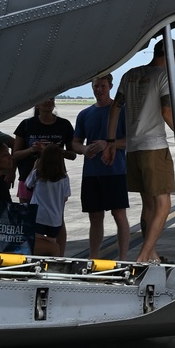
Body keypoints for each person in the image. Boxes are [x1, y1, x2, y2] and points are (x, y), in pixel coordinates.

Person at [107, 37, 175, 264]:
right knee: (164, 205)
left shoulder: (129, 75)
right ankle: (144, 256)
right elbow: (167, 112)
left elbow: (115, 108)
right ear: (170, 56)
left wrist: (110, 141)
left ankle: (152, 256)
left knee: (148, 205)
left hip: (133, 149)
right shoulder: (163, 76)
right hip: (154, 147)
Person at [74, 74, 130, 259]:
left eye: (102, 86)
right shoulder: (84, 114)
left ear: (110, 86)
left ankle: (123, 257)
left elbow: (130, 141)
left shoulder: (121, 111)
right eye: (96, 86)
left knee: (119, 214)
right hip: (91, 173)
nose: (99, 90)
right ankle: (93, 257)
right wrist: (84, 149)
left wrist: (109, 144)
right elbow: (75, 143)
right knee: (95, 217)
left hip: (115, 171)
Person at [13, 99, 75, 203]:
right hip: (28, 177)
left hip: (55, 179)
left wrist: (53, 151)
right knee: (27, 217)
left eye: (51, 98)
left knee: (56, 216)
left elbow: (72, 155)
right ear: (36, 104)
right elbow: (15, 155)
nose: (48, 101)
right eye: (44, 98)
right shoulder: (26, 124)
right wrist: (31, 149)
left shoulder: (64, 125)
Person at [26, 146, 71, 256]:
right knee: (52, 243)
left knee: (36, 244)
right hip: (55, 219)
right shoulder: (64, 177)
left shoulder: (38, 174)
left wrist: (34, 167)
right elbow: (65, 197)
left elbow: (27, 184)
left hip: (38, 217)